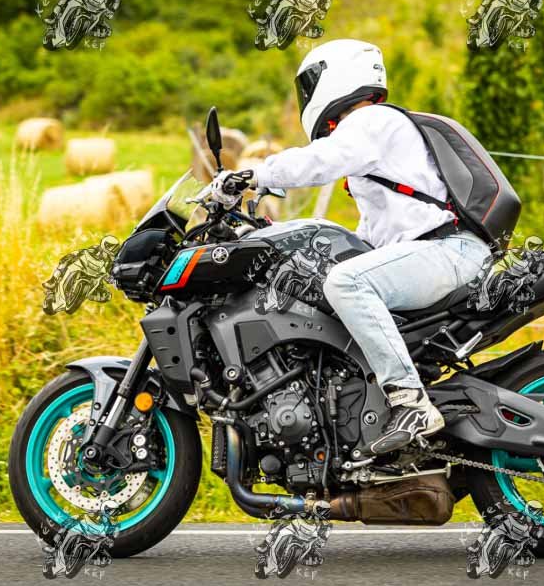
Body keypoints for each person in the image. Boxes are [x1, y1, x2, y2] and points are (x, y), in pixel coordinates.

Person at [210, 38, 493, 456]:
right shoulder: (376, 138)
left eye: (309, 84)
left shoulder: (372, 120)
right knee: (334, 278)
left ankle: (410, 402)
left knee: (347, 282)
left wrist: (254, 175)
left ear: (334, 76)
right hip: (432, 253)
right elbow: (372, 237)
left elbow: (319, 161)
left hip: (449, 251)